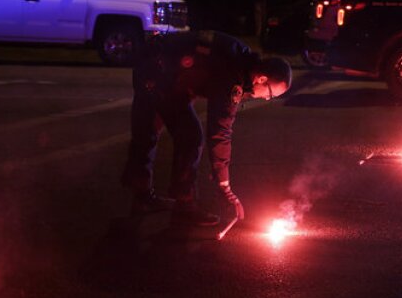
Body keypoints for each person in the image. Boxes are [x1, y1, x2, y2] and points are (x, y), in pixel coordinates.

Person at [121, 30, 291, 227]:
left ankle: (143, 197)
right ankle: (183, 205)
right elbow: (220, 132)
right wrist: (224, 187)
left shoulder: (242, 62)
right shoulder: (232, 73)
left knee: (149, 131)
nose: (266, 98)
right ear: (261, 78)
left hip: (162, 70)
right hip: (157, 73)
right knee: (188, 136)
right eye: (270, 93)